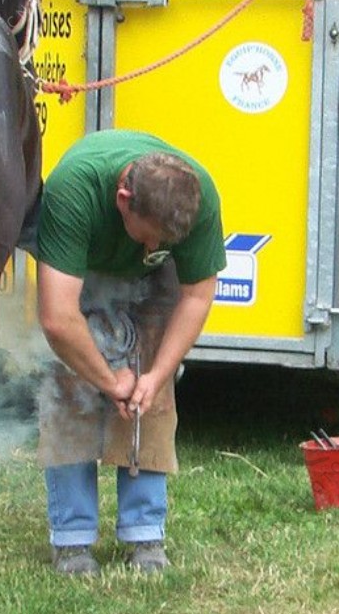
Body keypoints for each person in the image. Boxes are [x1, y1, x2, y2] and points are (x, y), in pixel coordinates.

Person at [35, 130, 226, 575]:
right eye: (149, 238)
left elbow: (196, 296)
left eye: (164, 243)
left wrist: (156, 375)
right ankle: (72, 539)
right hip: (82, 272)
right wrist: (107, 379)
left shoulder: (198, 196)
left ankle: (145, 534)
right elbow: (57, 317)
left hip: (157, 285)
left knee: (151, 399)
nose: (153, 250)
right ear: (123, 199)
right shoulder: (73, 189)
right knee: (70, 391)